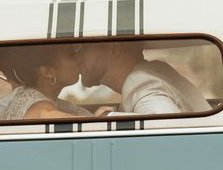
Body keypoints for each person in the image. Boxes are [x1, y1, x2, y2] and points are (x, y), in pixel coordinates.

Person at [77, 41, 210, 115]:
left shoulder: (142, 85)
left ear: (113, 49)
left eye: (82, 48)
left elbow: (164, 134)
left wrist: (108, 118)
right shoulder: (151, 73)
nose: (77, 57)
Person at [0, 43, 91, 120]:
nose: (79, 58)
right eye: (71, 55)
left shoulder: (31, 95)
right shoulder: (34, 101)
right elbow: (42, 115)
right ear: (47, 72)